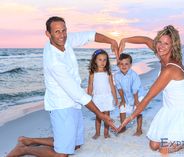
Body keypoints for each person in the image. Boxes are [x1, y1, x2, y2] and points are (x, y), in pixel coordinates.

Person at [7, 16, 118, 157]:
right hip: (61, 104)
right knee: (63, 154)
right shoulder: (54, 61)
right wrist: (100, 114)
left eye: (64, 30)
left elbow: (89, 35)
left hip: (74, 102)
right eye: (57, 32)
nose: (62, 35)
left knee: (76, 145)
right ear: (48, 34)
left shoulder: (65, 39)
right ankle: (24, 150)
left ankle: (28, 140)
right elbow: (77, 93)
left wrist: (111, 41)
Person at [117, 25, 184, 154]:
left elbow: (149, 97)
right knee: (153, 145)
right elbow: (145, 40)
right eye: (159, 42)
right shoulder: (162, 54)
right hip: (171, 109)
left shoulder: (170, 69)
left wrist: (129, 118)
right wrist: (125, 40)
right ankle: (180, 137)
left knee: (163, 149)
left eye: (166, 43)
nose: (160, 46)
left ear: (173, 46)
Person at [87, 49, 118, 139]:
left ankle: (106, 133)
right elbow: (90, 85)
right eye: (100, 59)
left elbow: (112, 85)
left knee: (107, 115)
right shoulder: (92, 73)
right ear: (95, 60)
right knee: (98, 116)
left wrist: (115, 97)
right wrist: (88, 96)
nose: (102, 62)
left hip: (107, 96)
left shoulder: (108, 72)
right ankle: (97, 133)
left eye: (104, 60)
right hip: (97, 97)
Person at [114, 53, 145, 136]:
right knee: (122, 107)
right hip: (127, 96)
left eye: (126, 64)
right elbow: (119, 88)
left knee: (137, 109)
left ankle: (139, 129)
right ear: (118, 65)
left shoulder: (134, 75)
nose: (124, 66)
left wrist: (136, 101)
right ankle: (123, 127)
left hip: (138, 95)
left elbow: (135, 89)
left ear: (130, 65)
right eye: (121, 64)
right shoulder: (117, 76)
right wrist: (122, 100)